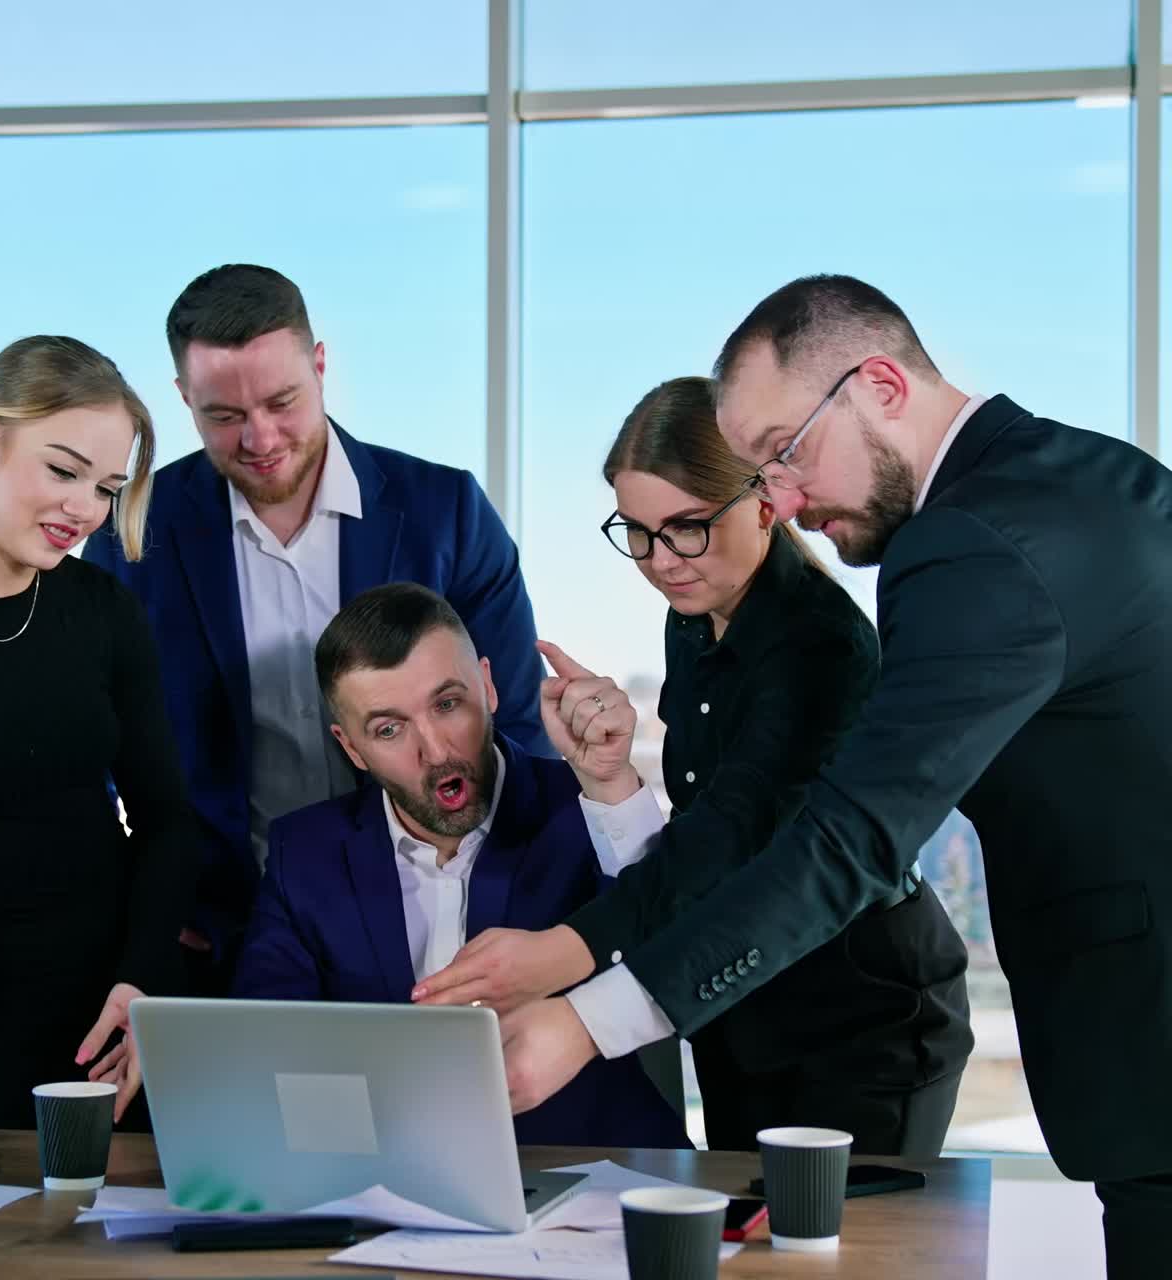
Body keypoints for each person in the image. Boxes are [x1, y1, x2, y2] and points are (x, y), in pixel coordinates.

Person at [426, 275, 1172, 1277]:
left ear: (877, 386)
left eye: (781, 452)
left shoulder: (964, 548)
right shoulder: (1087, 475)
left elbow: (844, 839)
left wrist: (586, 1011)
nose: (775, 497)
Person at [414, 376, 972, 1154]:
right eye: (636, 532)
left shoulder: (820, 647)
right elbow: (698, 844)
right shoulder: (699, 614)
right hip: (739, 1013)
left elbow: (732, 842)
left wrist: (564, 954)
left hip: (861, 1024)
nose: (659, 561)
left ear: (767, 503)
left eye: (685, 528)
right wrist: (608, 774)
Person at [83, 264, 551, 995]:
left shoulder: (446, 511)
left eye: (282, 401)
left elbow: (515, 720)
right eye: (223, 415)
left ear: (321, 365)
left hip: (433, 930)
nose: (260, 438)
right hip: (212, 930)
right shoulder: (132, 533)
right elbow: (95, 742)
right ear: (184, 399)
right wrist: (143, 900)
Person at [232, 582, 689, 1149]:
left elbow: (678, 936)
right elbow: (269, 1041)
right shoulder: (305, 851)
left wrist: (613, 784)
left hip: (593, 1179)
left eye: (448, 704)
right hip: (390, 1186)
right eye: (388, 729)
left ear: (490, 688)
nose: (436, 750)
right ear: (351, 748)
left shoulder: (589, 804)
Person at [0, 335, 193, 1128]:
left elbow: (167, 822)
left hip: (122, 1013)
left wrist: (141, 988)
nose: (86, 510)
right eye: (63, 472)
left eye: (107, 487)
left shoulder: (103, 610)